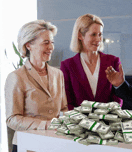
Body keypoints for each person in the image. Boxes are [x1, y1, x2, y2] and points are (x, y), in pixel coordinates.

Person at [5, 20, 68, 152]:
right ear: (29, 45)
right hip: (27, 146)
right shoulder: (16, 77)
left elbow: (63, 108)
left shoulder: (58, 74)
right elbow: (12, 119)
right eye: (46, 42)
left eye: (52, 42)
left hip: (55, 144)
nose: (51, 47)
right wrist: (45, 125)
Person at [60, 14, 122, 110]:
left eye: (100, 34)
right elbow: (68, 102)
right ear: (80, 35)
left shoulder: (113, 61)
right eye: (93, 34)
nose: (98, 39)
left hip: (108, 122)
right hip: (79, 123)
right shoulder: (67, 66)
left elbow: (118, 98)